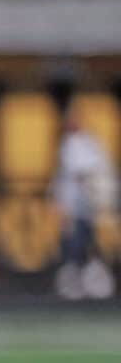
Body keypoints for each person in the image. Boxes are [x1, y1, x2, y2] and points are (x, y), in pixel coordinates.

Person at [53, 106, 117, 302]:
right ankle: (81, 283)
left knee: (81, 246)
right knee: (78, 245)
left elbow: (84, 173)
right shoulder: (78, 143)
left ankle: (88, 283)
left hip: (82, 206)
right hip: (79, 206)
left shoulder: (80, 143)